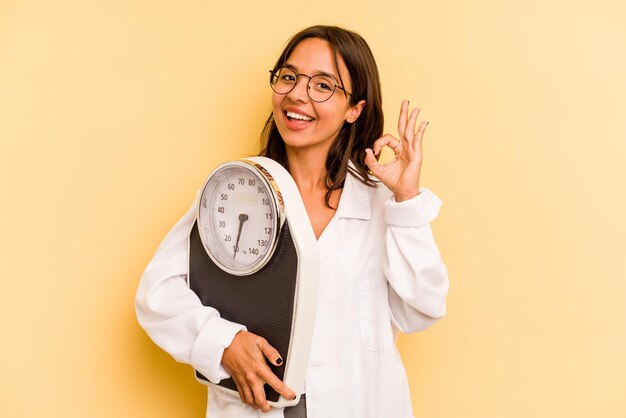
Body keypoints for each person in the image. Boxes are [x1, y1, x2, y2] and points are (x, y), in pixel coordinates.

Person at [135, 25, 449, 418]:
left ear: (356, 109)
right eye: (288, 77)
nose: (297, 94)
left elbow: (422, 309)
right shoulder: (233, 193)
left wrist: (405, 201)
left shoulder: (384, 203)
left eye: (323, 85)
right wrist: (222, 342)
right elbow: (156, 295)